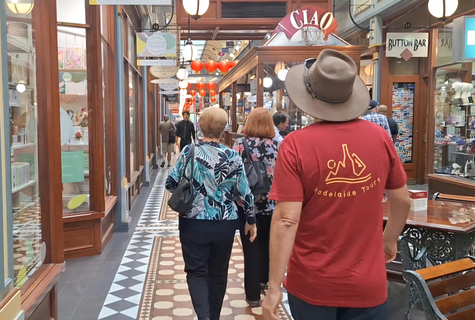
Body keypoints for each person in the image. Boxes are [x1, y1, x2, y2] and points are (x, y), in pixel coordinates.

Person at [262, 49, 410, 320]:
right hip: (368, 282)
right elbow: (402, 200)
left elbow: (286, 220)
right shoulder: (379, 137)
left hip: (312, 282)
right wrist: (389, 240)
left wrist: (273, 287)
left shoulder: (296, 144)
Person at [166, 107, 257, 320]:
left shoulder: (189, 151)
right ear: (224, 129)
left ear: (200, 126)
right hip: (225, 224)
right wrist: (251, 220)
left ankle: (204, 316)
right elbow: (245, 192)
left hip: (192, 223)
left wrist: (192, 189)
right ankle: (213, 317)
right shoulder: (232, 156)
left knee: (196, 272)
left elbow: (170, 183)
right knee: (218, 273)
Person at [233, 108, 279, 307]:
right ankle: (264, 279)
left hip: (247, 205)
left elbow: (233, 174)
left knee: (250, 247)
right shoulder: (279, 145)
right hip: (272, 204)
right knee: (268, 243)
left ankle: (252, 295)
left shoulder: (240, 145)